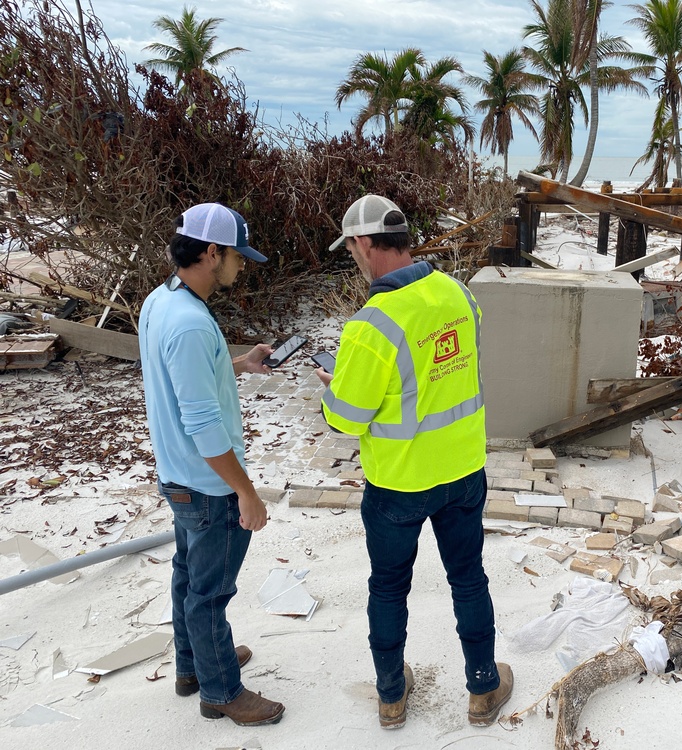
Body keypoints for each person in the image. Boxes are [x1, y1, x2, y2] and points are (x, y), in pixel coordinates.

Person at [316, 194, 513, 729]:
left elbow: (346, 419)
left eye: (351, 249)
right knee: (468, 578)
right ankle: (482, 688)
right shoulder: (459, 294)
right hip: (464, 471)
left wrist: (332, 392)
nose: (353, 258)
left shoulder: (371, 324)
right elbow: (443, 376)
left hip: (399, 484)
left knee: (387, 586)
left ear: (362, 244)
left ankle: (391, 697)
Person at [138, 203, 284, 727]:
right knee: (210, 593)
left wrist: (240, 362)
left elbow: (186, 383)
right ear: (211, 253)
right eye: (237, 258)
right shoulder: (192, 325)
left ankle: (192, 666)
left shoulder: (163, 301)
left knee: (187, 576)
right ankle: (220, 691)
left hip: (178, 476)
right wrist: (244, 491)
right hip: (208, 486)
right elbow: (203, 424)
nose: (241, 267)